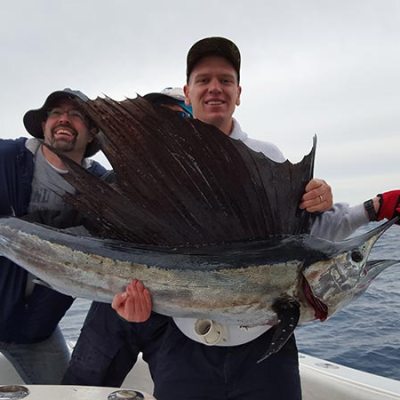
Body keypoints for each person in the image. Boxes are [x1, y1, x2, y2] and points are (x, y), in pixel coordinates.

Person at [113, 37, 400, 400]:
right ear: (187, 91)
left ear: (239, 92)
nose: (215, 88)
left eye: (225, 80)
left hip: (265, 350)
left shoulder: (267, 156)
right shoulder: (161, 170)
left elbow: (310, 237)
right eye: (203, 80)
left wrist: (373, 208)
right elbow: (131, 253)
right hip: (183, 348)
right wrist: (133, 309)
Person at [62, 88, 193, 387]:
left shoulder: (205, 189)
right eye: (156, 118)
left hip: (177, 316)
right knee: (80, 388)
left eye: (177, 118)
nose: (166, 127)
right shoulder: (114, 181)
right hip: (113, 306)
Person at [0, 88, 106, 384]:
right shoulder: (7, 157)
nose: (64, 120)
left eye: (75, 115)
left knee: (67, 393)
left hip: (34, 334)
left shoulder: (101, 187)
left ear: (92, 132)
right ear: (44, 123)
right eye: (56, 113)